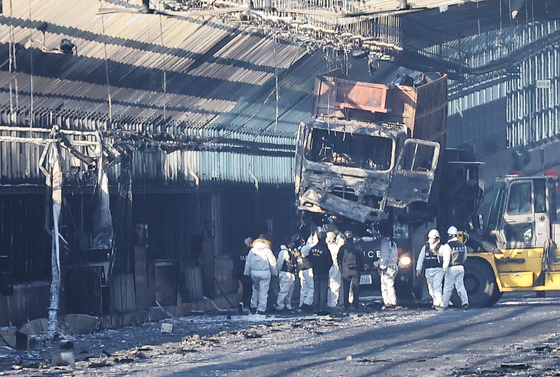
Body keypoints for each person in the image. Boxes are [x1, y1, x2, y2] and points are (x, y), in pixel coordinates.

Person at [244, 237, 278, 314]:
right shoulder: (268, 251)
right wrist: (274, 273)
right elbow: (272, 263)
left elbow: (248, 263)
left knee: (255, 289)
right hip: (265, 273)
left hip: (254, 273)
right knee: (264, 291)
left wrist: (246, 273)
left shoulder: (252, 251)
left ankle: (253, 306)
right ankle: (261, 309)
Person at [441, 226, 469, 310]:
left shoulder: (447, 246)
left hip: (451, 268)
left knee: (448, 287)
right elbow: (465, 257)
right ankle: (465, 302)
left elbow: (446, 259)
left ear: (449, 235)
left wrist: (444, 269)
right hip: (460, 267)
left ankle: (444, 305)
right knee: (461, 286)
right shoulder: (462, 245)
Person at [416, 229, 444, 309]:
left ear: (436, 238)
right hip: (428, 270)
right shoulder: (425, 247)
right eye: (429, 237)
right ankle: (440, 302)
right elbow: (421, 258)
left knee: (437, 287)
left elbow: (445, 258)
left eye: (432, 238)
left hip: (438, 270)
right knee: (431, 289)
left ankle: (437, 304)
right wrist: (418, 269)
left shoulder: (441, 248)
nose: (430, 239)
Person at [308, 231, 333, 315]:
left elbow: (310, 260)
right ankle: (323, 307)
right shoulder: (325, 249)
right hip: (324, 272)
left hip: (315, 271)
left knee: (316, 289)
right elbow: (330, 262)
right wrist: (326, 268)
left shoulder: (312, 249)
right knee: (323, 289)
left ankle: (315, 307)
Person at [375, 222, 399, 310]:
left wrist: (378, 265)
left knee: (386, 285)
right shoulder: (392, 243)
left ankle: (390, 302)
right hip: (393, 266)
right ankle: (391, 301)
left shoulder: (386, 243)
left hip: (387, 268)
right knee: (389, 285)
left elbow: (384, 257)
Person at [338, 230, 363, 311]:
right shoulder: (357, 247)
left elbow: (338, 259)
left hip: (345, 271)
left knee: (346, 288)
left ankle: (346, 305)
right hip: (355, 270)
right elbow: (361, 259)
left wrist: (341, 268)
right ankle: (355, 304)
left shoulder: (342, 248)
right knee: (356, 287)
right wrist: (360, 269)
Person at [274, 237, 298, 312]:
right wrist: (277, 272)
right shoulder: (283, 252)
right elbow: (279, 263)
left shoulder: (292, 251)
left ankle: (288, 304)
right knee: (284, 290)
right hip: (285, 273)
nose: (293, 244)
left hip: (291, 273)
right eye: (291, 242)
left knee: (290, 291)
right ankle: (280, 305)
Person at [233, 237, 253, 313]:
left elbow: (236, 265)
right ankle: (249, 305)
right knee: (251, 290)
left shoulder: (239, 253)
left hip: (242, 275)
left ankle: (242, 303)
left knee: (246, 289)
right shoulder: (250, 252)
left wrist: (236, 276)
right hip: (249, 273)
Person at [295, 233, 315, 312]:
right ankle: (307, 303)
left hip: (301, 270)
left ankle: (301, 303)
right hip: (308, 269)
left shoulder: (296, 250)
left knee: (303, 288)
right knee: (312, 287)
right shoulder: (306, 248)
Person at [326, 231, 342, 309]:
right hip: (335, 267)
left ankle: (328, 302)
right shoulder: (337, 248)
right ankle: (333, 303)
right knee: (335, 286)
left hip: (326, 268)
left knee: (327, 286)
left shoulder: (326, 247)